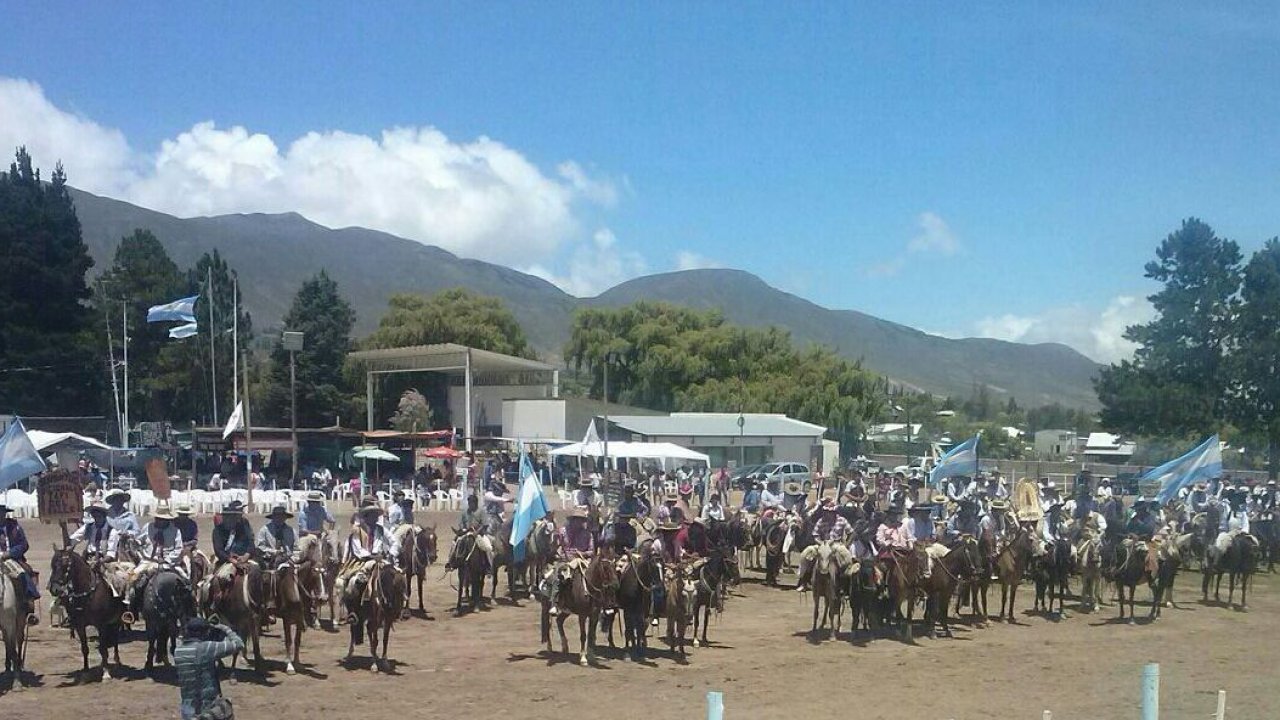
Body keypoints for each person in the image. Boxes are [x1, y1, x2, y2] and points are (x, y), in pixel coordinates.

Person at [335, 498, 401, 620]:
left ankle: (394, 606)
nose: (375, 518)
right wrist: (372, 556)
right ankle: (354, 610)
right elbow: (358, 550)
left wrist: (391, 554)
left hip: (381, 560)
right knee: (355, 581)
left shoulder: (381, 529)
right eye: (372, 515)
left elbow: (395, 542)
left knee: (397, 577)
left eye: (376, 515)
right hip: (362, 562)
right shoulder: (357, 531)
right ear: (366, 516)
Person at [175, 617, 245, 720]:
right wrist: (225, 628)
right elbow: (239, 644)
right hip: (207, 709)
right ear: (205, 633)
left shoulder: (178, 651)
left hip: (187, 709)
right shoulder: (207, 648)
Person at [127, 504, 186, 614]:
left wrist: (167, 560)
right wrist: (135, 542)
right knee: (132, 579)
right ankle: (132, 609)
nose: (159, 520)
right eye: (158, 518)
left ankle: (188, 610)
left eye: (162, 519)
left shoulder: (175, 531)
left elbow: (178, 549)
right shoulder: (148, 527)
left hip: (168, 563)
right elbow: (140, 541)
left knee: (185, 580)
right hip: (148, 561)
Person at [69, 500, 131, 597]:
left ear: (103, 514)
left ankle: (120, 605)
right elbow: (72, 540)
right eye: (94, 513)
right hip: (88, 559)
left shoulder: (112, 531)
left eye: (98, 513)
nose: (95, 515)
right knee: (68, 576)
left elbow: (111, 554)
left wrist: (100, 562)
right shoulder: (88, 527)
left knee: (118, 582)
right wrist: (64, 528)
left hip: (105, 562)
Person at [542, 509, 594, 616]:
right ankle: (555, 602)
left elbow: (592, 551)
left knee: (597, 574)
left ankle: (601, 602)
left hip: (583, 561)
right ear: (572, 520)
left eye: (580, 520)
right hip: (566, 560)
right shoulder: (562, 531)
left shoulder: (588, 534)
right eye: (576, 520)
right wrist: (555, 546)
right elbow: (555, 546)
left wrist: (583, 554)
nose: (578, 522)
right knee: (559, 575)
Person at [796, 498, 853, 591]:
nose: (828, 513)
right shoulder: (821, 520)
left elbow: (851, 532)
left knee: (847, 558)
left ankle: (845, 584)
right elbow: (815, 534)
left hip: (836, 544)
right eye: (826, 511)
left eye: (830, 512)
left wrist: (847, 545)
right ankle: (803, 580)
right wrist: (819, 542)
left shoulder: (842, 520)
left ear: (834, 512)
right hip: (822, 544)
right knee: (805, 554)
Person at [208, 501, 256, 607]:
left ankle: (265, 606)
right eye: (229, 516)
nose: (232, 518)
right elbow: (219, 550)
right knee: (219, 578)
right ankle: (216, 604)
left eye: (234, 516)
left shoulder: (244, 526)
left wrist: (246, 555)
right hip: (226, 559)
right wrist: (232, 560)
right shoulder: (218, 531)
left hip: (244, 557)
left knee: (260, 573)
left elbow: (251, 542)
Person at [0, 502, 40, 623]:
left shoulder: (14, 526)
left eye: (1, 513)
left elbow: (23, 544)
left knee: (24, 573)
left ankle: (28, 603)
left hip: (11, 558)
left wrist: (9, 553)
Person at [1214, 488, 1251, 554]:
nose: (1235, 501)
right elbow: (1223, 524)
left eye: (1237, 499)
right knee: (1219, 546)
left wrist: (1243, 532)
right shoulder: (1227, 512)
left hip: (1241, 534)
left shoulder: (1243, 512)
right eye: (1234, 499)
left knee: (1253, 544)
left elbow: (1245, 524)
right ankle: (1216, 561)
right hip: (1228, 534)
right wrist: (1227, 533)